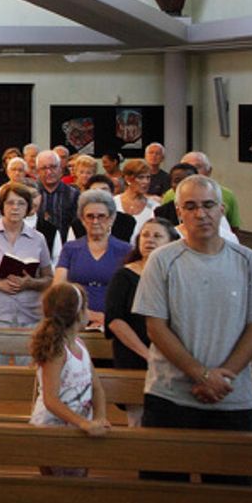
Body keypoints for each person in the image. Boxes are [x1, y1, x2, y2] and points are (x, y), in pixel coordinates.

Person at [134, 176, 252, 484]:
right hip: (171, 395)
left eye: (208, 205)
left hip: (230, 396)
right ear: (179, 212)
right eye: (191, 206)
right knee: (163, 490)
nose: (201, 214)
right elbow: (156, 327)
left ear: (222, 209)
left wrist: (223, 374)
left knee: (231, 494)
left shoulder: (247, 261)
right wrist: (200, 374)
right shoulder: (162, 260)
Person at [28, 282, 110, 503]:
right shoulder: (56, 348)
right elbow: (50, 400)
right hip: (54, 435)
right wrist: (84, 423)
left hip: (78, 434)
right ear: (80, 312)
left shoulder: (78, 344)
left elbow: (97, 384)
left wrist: (101, 417)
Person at [0, 183, 54, 334]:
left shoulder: (38, 238)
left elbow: (48, 278)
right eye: (10, 203)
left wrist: (31, 283)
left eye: (21, 203)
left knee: (28, 357)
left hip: (30, 316)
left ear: (28, 207)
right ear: (2, 206)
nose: (15, 208)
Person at [105, 217, 179, 381]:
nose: (150, 240)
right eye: (145, 235)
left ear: (172, 242)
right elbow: (115, 320)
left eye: (157, 236)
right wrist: (148, 356)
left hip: (172, 357)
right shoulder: (124, 275)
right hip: (134, 355)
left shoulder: (179, 275)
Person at [53, 189, 130, 327]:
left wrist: (107, 318)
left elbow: (131, 294)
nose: (95, 221)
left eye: (101, 216)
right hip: (75, 320)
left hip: (115, 322)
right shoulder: (70, 248)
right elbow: (58, 288)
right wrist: (86, 315)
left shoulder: (126, 250)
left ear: (111, 218)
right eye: (90, 216)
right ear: (82, 220)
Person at [164, 151, 242, 231]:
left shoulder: (227, 195)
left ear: (209, 171)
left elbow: (234, 228)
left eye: (208, 205)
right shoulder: (169, 195)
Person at [113, 157, 159, 242]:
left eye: (148, 177)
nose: (146, 182)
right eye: (141, 177)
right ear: (128, 179)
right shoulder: (113, 203)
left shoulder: (155, 207)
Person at [33, 150, 78, 235]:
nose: (49, 172)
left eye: (53, 167)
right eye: (44, 168)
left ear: (60, 168)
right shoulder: (30, 195)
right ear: (37, 171)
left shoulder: (73, 195)